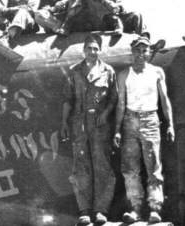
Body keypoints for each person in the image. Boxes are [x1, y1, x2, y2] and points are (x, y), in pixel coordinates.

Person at [113, 36, 175, 224]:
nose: (141, 54)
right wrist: (117, 129)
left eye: (144, 51)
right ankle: (135, 209)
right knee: (130, 168)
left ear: (149, 53)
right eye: (137, 51)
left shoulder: (157, 72)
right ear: (132, 53)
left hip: (150, 120)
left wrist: (170, 124)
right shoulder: (124, 74)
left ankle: (155, 209)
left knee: (153, 166)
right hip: (130, 120)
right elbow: (121, 103)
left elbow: (164, 100)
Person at [61, 34, 117, 226]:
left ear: (99, 51)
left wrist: (106, 114)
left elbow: (113, 98)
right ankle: (84, 210)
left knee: (102, 165)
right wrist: (64, 124)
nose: (92, 52)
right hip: (79, 123)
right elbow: (68, 100)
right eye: (89, 48)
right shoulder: (74, 71)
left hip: (100, 124)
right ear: (83, 50)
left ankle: (101, 210)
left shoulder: (108, 71)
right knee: (81, 166)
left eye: (95, 49)